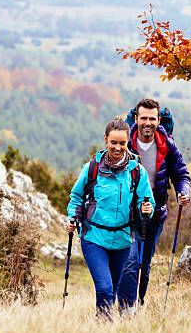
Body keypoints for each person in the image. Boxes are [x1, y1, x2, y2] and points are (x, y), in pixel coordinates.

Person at [66, 117, 155, 318]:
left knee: (112, 291)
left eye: (122, 143)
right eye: (113, 142)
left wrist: (147, 209)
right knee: (105, 288)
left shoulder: (136, 172)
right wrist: (73, 217)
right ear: (105, 139)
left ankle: (104, 328)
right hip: (94, 238)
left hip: (123, 240)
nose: (117, 147)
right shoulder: (92, 168)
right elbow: (76, 197)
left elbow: (146, 202)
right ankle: (104, 326)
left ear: (127, 143)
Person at [117, 98, 191, 312]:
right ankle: (125, 308)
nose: (147, 123)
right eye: (143, 118)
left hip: (155, 214)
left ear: (158, 120)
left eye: (152, 118)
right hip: (127, 214)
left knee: (144, 265)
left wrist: (183, 192)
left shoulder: (166, 144)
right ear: (136, 119)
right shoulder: (126, 143)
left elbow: (181, 174)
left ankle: (138, 302)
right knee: (129, 261)